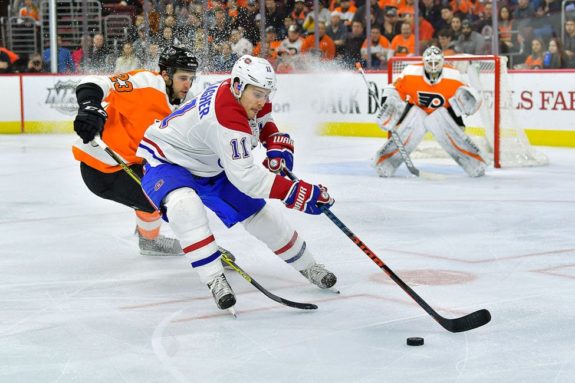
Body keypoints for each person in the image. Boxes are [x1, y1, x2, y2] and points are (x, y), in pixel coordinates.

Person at [135, 55, 337, 311]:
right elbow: (248, 178)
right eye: (257, 94)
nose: (262, 100)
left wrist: (274, 140)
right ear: (239, 86)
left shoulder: (243, 91)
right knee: (185, 207)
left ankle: (309, 266)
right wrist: (298, 193)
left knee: (261, 217)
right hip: (167, 160)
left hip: (210, 164)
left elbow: (262, 119)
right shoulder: (227, 119)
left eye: (266, 93)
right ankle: (214, 278)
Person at [71, 46, 200, 257]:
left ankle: (148, 235)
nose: (188, 84)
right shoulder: (145, 83)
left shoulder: (189, 101)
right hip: (102, 169)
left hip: (134, 163)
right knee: (163, 198)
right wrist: (89, 107)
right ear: (166, 75)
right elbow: (93, 83)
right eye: (183, 77)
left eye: (191, 78)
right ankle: (191, 247)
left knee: (169, 182)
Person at [374, 46, 486, 177]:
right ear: (424, 61)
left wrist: (471, 102)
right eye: (430, 62)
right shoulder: (411, 72)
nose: (433, 66)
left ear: (442, 61)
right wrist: (388, 103)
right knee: (405, 133)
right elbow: (394, 89)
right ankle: (385, 163)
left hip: (443, 110)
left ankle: (475, 164)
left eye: (436, 62)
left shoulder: (454, 76)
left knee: (456, 136)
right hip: (417, 108)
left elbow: (469, 98)